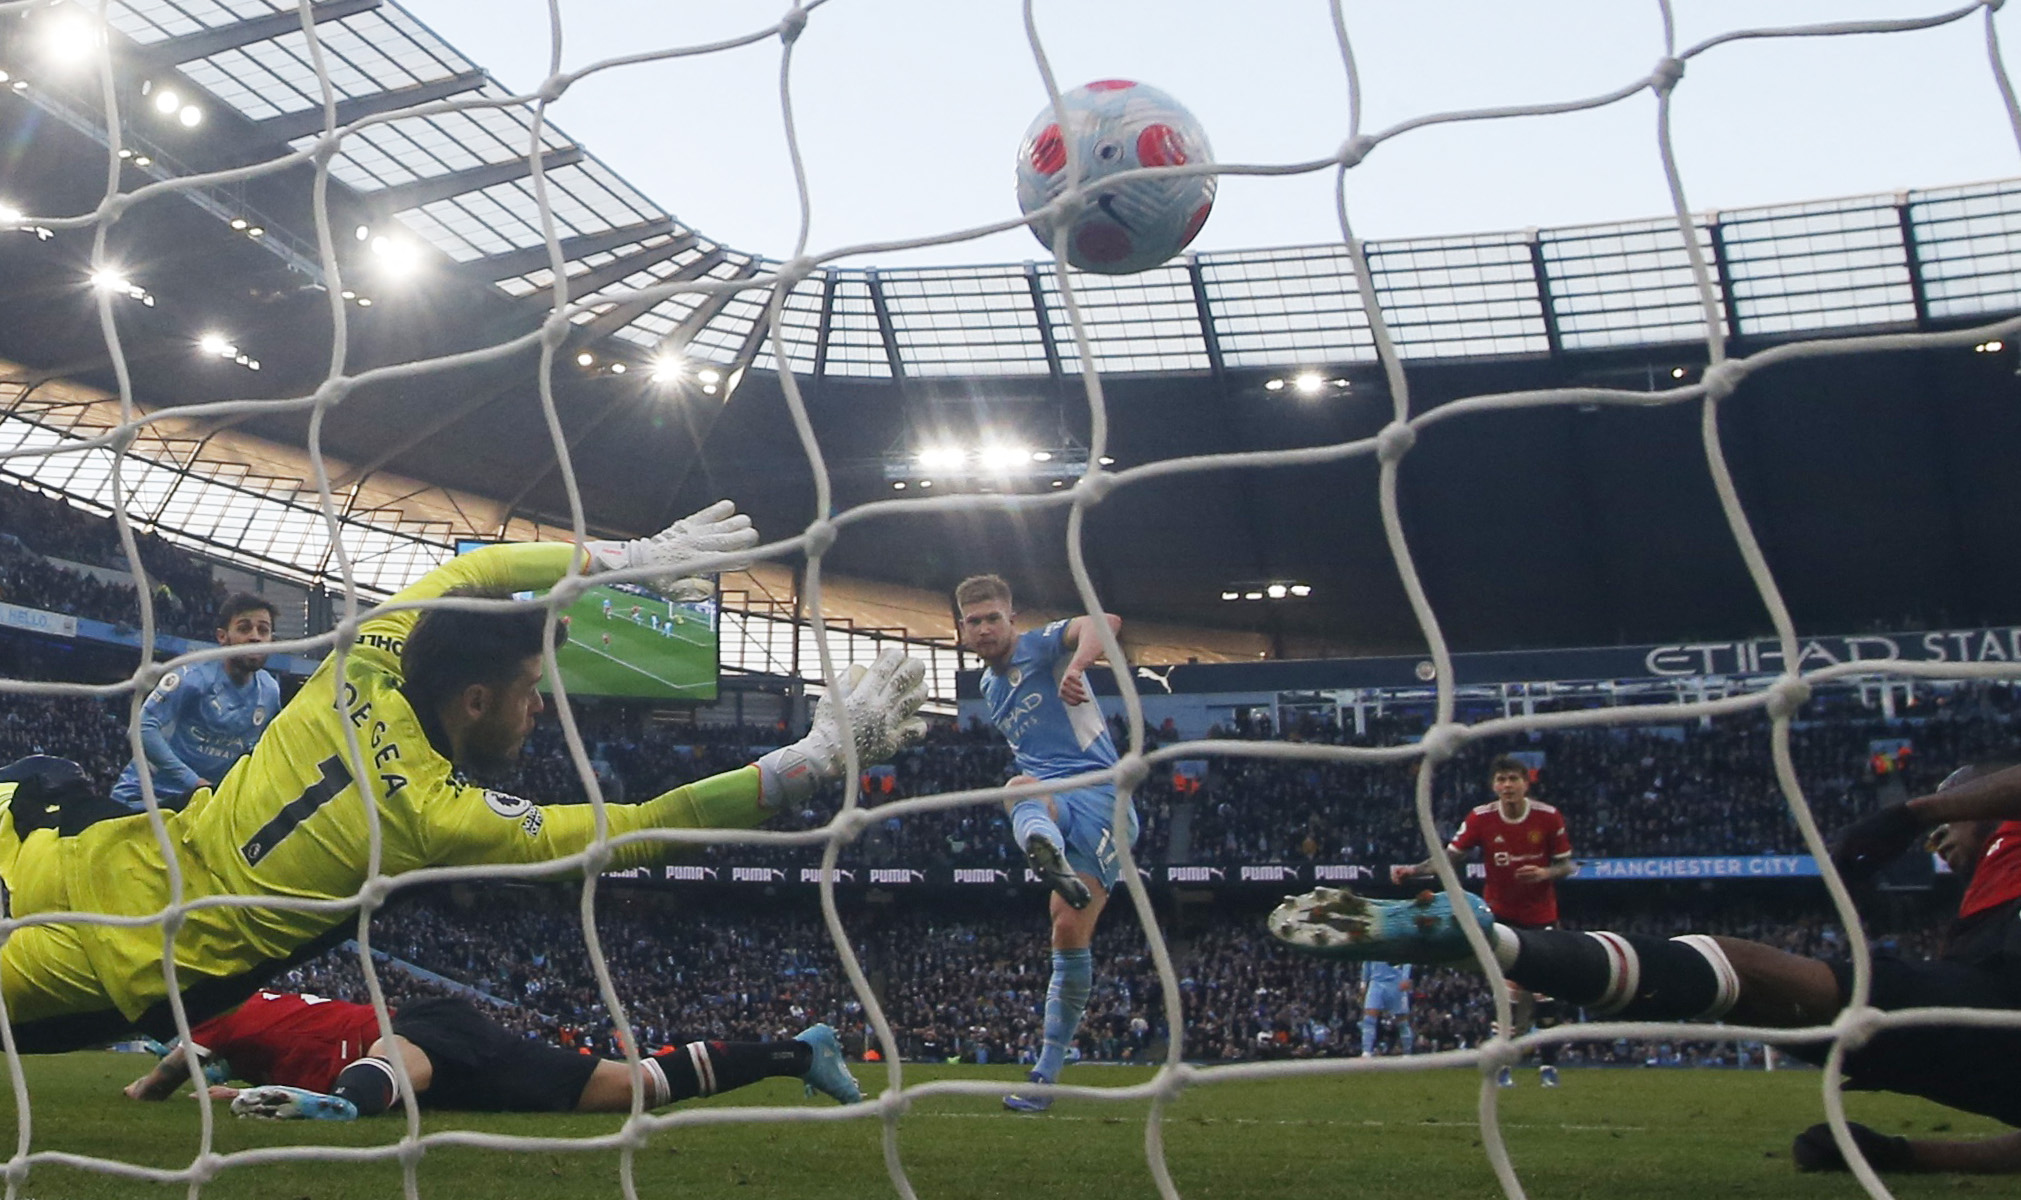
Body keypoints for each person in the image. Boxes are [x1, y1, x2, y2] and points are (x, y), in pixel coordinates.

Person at [0, 501, 929, 1054]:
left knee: (34, 770)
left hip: (93, 849)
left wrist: (627, 560)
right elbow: (641, 825)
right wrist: (813, 761)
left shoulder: (357, 657)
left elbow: (476, 569)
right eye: (532, 693)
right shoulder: (436, 820)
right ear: (476, 700)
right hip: (113, 960)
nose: (541, 711)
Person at [1275, 760, 2021, 1175]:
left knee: (1765, 985)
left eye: (1955, 812)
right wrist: (1903, 1155)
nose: (1938, 842)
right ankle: (1495, 944)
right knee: (1779, 1011)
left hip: (1998, 986)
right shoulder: (1983, 880)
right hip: (1992, 1034)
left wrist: (1910, 811)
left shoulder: (2004, 825)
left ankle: (1494, 943)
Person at [953, 574, 1136, 1113]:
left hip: (1101, 795)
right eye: (974, 621)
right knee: (1065, 928)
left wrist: (1077, 666)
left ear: (1012, 618)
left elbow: (1107, 623)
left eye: (993, 617)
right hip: (1054, 799)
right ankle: (1045, 1077)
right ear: (961, 630)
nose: (985, 628)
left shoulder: (1041, 646)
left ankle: (1043, 846)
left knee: (1017, 791)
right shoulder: (988, 687)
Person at [122, 989, 860, 1119]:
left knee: (394, 1057)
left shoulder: (211, 1014)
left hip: (419, 1032)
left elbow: (158, 1082)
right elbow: (231, 1063)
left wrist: (158, 1081)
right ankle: (796, 1053)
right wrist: (229, 1085)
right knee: (628, 1089)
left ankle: (347, 1107)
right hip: (446, 1068)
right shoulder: (253, 1020)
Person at [1393, 756, 1575, 1086]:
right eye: (1501, 780)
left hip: (1541, 915)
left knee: (1545, 992)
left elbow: (1567, 866)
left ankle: (1548, 1066)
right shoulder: (1481, 818)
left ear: (1525, 783)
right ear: (1494, 786)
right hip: (1501, 915)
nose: (1507, 786)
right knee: (1508, 991)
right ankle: (1503, 1067)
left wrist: (1545, 872)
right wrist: (1415, 871)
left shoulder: (1548, 817)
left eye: (1513, 779)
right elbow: (1449, 857)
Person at [109, 592, 281, 813]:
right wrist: (194, 782)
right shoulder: (193, 677)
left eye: (263, 630)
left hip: (202, 809)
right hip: (146, 799)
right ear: (222, 637)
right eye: (244, 628)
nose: (255, 637)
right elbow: (141, 728)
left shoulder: (269, 692)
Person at [1359, 960, 1415, 1057]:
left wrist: (1405, 977)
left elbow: (1407, 958)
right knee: (1369, 1019)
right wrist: (1363, 981)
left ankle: (1407, 1052)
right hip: (1376, 982)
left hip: (1396, 982)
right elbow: (1367, 959)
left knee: (1402, 1022)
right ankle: (1366, 1051)